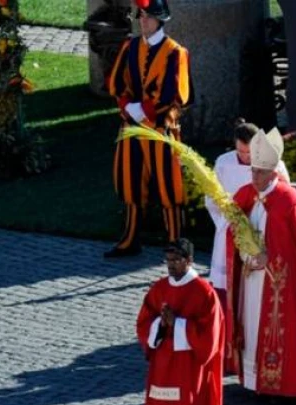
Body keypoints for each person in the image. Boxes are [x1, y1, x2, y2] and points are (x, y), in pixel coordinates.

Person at [225, 128, 296, 398]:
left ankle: (289, 384)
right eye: (252, 171)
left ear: (275, 173)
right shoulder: (246, 194)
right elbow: (234, 230)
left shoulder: (292, 203)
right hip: (252, 279)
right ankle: (256, 381)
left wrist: (270, 259)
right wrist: (246, 255)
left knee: (284, 331)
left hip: (282, 285)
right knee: (251, 327)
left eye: (260, 173)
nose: (255, 177)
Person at [104, 0, 194, 258]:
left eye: (148, 17)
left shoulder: (175, 52)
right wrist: (127, 106)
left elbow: (176, 93)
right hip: (133, 126)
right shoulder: (130, 47)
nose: (142, 21)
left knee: (168, 184)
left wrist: (145, 109)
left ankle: (176, 240)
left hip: (160, 128)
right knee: (131, 180)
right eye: (141, 16)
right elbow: (118, 82)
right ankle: (131, 238)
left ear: (160, 19)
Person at [205, 119, 289, 372]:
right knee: (224, 291)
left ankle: (250, 349)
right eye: (240, 152)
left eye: (249, 153)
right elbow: (212, 197)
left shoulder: (274, 164)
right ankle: (225, 349)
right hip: (228, 231)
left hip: (260, 234)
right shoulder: (224, 162)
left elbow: (283, 194)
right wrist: (226, 221)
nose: (245, 158)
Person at [136, 238, 224, 405]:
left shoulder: (204, 293)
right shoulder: (159, 288)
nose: (171, 265)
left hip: (190, 369)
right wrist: (160, 324)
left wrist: (178, 324)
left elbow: (209, 338)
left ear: (190, 260)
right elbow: (143, 323)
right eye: (168, 260)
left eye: (176, 260)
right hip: (162, 369)